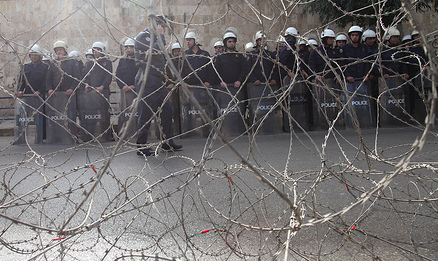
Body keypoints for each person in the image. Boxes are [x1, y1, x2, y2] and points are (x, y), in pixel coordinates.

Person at [134, 15, 182, 156]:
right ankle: (141, 146)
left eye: (164, 26)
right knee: (146, 114)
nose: (163, 29)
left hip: (158, 80)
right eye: (161, 25)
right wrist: (161, 36)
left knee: (167, 110)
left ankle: (167, 142)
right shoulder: (144, 37)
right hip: (147, 79)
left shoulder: (156, 38)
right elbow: (151, 53)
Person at [16, 44, 49, 143]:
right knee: (23, 118)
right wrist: (20, 91)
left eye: (36, 55)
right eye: (32, 55)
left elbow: (46, 82)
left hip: (39, 96)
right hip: (28, 96)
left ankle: (39, 138)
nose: (34, 57)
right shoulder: (26, 67)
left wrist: (39, 91)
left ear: (39, 56)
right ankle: (21, 138)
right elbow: (21, 81)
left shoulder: (45, 67)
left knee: (39, 118)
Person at [116, 38, 139, 137]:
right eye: (127, 47)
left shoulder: (138, 60)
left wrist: (134, 86)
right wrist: (123, 86)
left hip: (136, 90)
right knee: (126, 113)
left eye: (131, 47)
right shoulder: (122, 61)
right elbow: (118, 75)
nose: (129, 49)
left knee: (137, 112)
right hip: (125, 92)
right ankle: (127, 133)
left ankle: (137, 132)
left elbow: (141, 75)